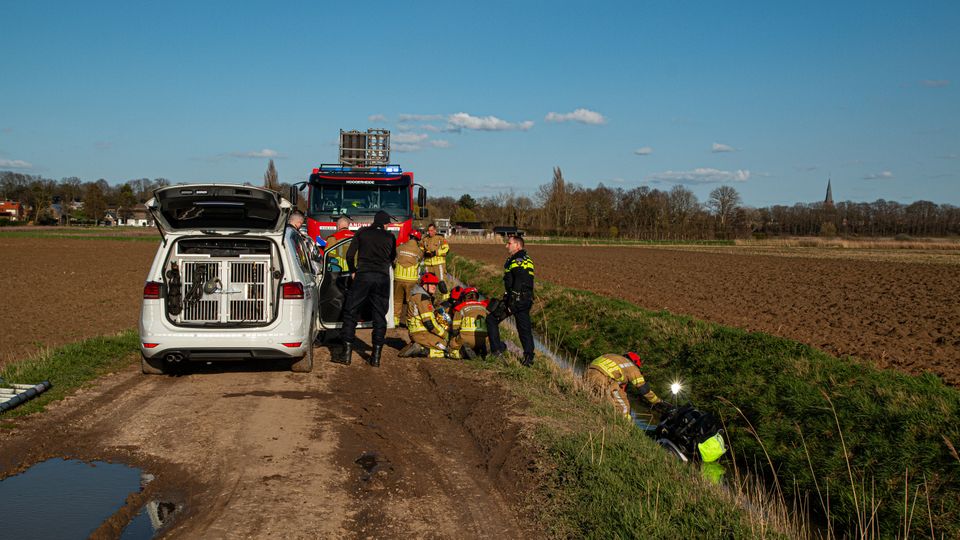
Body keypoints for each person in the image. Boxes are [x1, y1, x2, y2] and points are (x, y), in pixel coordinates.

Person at [334, 211, 396, 367]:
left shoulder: (362, 233)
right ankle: (376, 357)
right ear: (385, 224)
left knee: (351, 312)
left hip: (363, 276)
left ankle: (346, 354)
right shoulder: (390, 237)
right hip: (382, 279)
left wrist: (353, 270)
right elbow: (392, 258)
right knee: (379, 316)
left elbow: (349, 255)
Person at [486, 235, 535, 366]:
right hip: (519, 299)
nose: (506, 246)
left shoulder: (518, 260)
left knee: (494, 320)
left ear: (518, 245)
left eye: (509, 243)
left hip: (518, 300)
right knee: (523, 328)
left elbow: (519, 280)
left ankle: (500, 352)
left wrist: (512, 302)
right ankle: (526, 357)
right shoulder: (522, 258)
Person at [584, 352, 671, 419]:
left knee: (597, 399)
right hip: (605, 379)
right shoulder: (632, 367)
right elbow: (643, 389)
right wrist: (658, 402)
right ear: (635, 363)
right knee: (624, 407)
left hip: (587, 374)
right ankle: (625, 429)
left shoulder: (611, 355)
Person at [398, 273, 451, 358]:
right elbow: (429, 324)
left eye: (435, 284)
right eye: (431, 284)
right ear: (424, 285)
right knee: (447, 346)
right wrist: (445, 335)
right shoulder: (423, 298)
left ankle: (418, 346)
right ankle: (422, 350)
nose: (434, 286)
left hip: (418, 333)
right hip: (421, 334)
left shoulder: (418, 295)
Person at [448, 286, 488, 360]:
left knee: (452, 344)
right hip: (484, 339)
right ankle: (481, 351)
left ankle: (462, 353)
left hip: (466, 338)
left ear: (464, 298)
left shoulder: (460, 307)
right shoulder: (485, 306)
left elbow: (455, 329)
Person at [393, 229, 423, 326]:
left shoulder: (399, 248)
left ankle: (395, 320)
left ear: (409, 237)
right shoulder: (419, 251)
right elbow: (419, 262)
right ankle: (409, 322)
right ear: (418, 240)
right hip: (411, 280)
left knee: (397, 300)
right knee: (410, 302)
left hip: (398, 277)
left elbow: (394, 260)